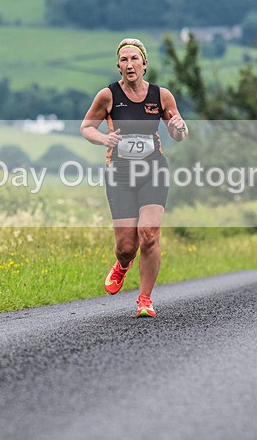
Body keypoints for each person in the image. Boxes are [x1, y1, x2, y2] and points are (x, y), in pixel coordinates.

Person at [80, 38, 187, 318]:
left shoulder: (162, 96)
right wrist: (104, 138)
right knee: (127, 246)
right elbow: (86, 127)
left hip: (153, 170)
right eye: (124, 60)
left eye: (134, 59)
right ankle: (123, 264)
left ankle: (145, 298)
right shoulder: (108, 96)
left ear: (144, 64)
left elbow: (178, 133)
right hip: (121, 173)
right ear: (118, 66)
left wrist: (179, 127)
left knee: (149, 235)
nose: (130, 64)